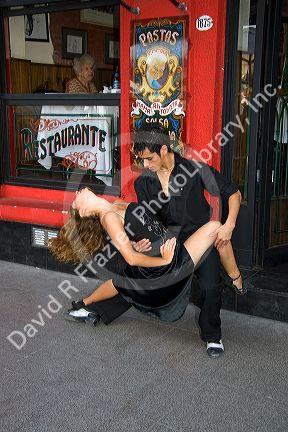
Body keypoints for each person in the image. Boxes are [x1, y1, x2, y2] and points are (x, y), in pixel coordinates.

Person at [55, 126, 244, 357]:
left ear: (164, 149)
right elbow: (145, 220)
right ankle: (92, 309)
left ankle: (213, 337)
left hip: (200, 242)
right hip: (166, 244)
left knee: (209, 286)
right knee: (134, 280)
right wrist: (135, 244)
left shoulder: (194, 169)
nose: (144, 165)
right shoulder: (143, 183)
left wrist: (230, 225)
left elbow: (232, 193)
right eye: (140, 159)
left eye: (149, 159)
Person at [49, 188, 243, 340]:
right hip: (171, 264)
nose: (76, 192)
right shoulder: (108, 218)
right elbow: (131, 258)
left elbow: (136, 231)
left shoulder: (114, 205)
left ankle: (85, 304)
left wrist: (134, 242)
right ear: (83, 212)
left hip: (172, 250)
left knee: (125, 281)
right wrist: (164, 260)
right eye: (75, 199)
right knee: (216, 227)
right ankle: (235, 278)